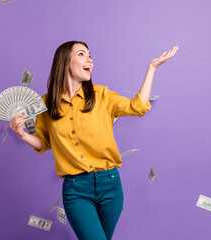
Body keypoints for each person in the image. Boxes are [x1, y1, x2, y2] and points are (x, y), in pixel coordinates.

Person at [10, 41, 178, 240]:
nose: (89, 59)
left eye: (90, 55)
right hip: (76, 190)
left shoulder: (102, 95)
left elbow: (138, 106)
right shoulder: (46, 104)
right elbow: (44, 143)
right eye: (82, 54)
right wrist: (22, 135)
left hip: (111, 185)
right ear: (65, 62)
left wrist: (152, 68)